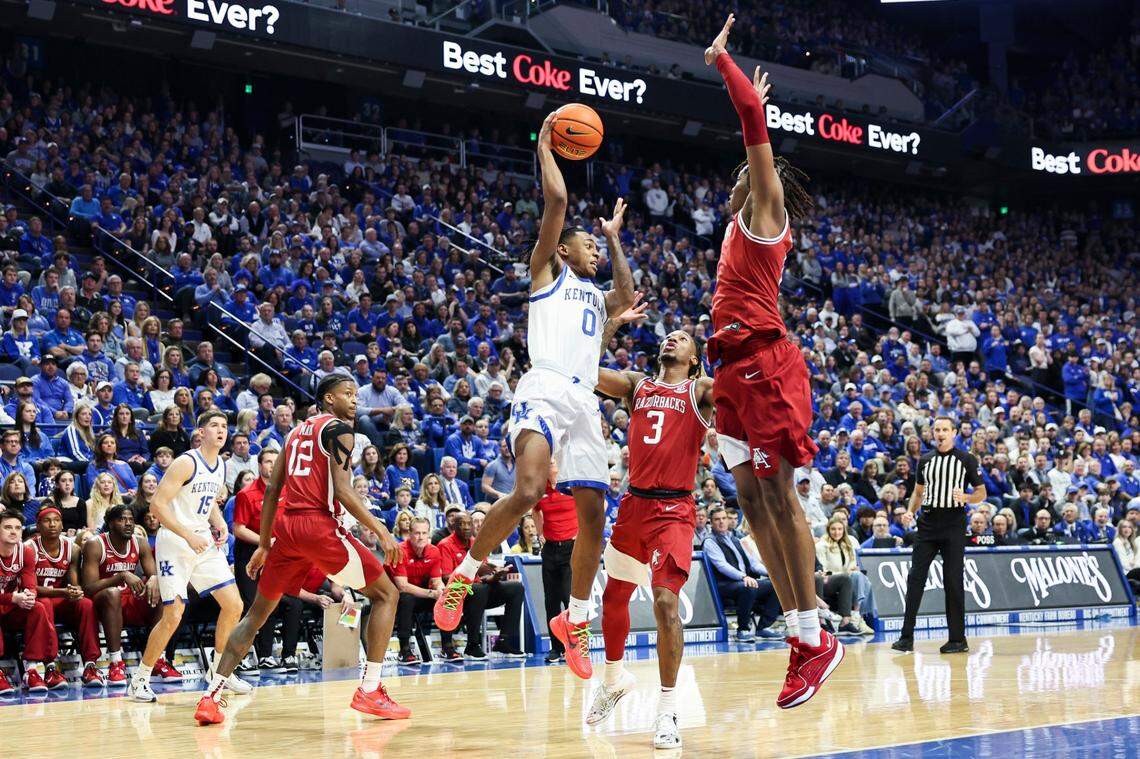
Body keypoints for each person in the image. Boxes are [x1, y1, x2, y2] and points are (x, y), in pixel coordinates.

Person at [434, 110, 636, 685]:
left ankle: (573, 619)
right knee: (526, 491)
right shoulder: (546, 273)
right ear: (563, 251)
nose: (593, 250)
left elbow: (625, 294)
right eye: (590, 244)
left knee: (592, 514)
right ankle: (466, 572)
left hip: (583, 402)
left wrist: (616, 241)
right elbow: (555, 203)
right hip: (543, 386)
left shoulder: (597, 298)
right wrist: (546, 145)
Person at [703, 14, 840, 709]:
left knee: (780, 495)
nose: (742, 175)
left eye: (750, 170)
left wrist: (723, 64)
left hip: (768, 364)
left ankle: (817, 635)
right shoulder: (732, 232)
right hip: (729, 370)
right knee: (749, 500)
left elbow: (753, 115)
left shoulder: (765, 214)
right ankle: (798, 635)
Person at [196, 375, 405, 726]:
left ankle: (211, 696)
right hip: (317, 525)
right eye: (347, 394)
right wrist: (380, 529)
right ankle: (370, 689)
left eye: (356, 394)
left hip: (287, 528)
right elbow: (342, 490)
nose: (354, 400)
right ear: (328, 399)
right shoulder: (339, 430)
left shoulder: (294, 433)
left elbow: (273, 488)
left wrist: (265, 543)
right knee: (387, 594)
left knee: (257, 613)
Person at [587, 316, 713, 749]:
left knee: (664, 602)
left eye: (682, 338)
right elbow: (585, 369)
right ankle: (613, 678)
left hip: (674, 508)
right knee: (614, 596)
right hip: (634, 504)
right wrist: (611, 325)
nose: (671, 338)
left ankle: (667, 710)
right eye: (667, 335)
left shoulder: (699, 391)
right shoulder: (637, 385)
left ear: (693, 360)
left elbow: (735, 388)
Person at [127, 411, 249, 703]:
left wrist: (217, 521)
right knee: (173, 615)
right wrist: (187, 534)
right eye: (214, 426)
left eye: (224, 427)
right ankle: (140, 679)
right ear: (201, 432)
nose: (221, 431)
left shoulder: (220, 463)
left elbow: (205, 504)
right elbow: (157, 505)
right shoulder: (186, 462)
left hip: (202, 540)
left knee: (234, 605)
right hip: (176, 542)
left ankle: (220, 672)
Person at [892, 417, 987, 655]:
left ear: (954, 432)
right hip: (927, 524)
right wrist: (910, 511)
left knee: (952, 581)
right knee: (915, 578)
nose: (940, 433)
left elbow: (981, 492)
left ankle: (957, 639)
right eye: (937, 430)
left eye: (945, 429)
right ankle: (906, 637)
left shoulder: (966, 459)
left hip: (954, 523)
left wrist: (965, 498)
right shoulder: (925, 460)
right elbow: (918, 491)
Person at [81, 505, 163, 687]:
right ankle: (116, 663)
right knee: (113, 592)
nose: (128, 524)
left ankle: (157, 659)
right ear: (110, 524)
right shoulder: (95, 544)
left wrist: (154, 580)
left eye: (131, 520)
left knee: (163, 591)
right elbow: (88, 588)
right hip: (103, 601)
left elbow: (153, 574)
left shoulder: (140, 542)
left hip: (128, 599)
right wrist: (121, 576)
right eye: (122, 519)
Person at [26, 506, 105, 687]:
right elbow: (29, 588)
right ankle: (50, 667)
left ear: (62, 524)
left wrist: (75, 591)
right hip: (37, 600)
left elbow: (73, 580)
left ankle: (91, 666)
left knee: (85, 604)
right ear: (38, 526)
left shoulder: (73, 548)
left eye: (56, 520)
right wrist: (63, 592)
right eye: (47, 521)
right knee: (43, 603)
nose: (52, 524)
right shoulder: (29, 548)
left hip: (60, 600)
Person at [437, 511, 526, 660]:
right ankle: (472, 645)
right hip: (457, 593)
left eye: (469, 524)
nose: (466, 527)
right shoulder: (445, 545)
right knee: (479, 589)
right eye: (461, 524)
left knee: (516, 588)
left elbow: (484, 576)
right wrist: (475, 575)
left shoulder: (476, 543)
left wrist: (495, 575)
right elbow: (446, 576)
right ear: (453, 527)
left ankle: (504, 641)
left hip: (480, 591)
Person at [0, 511, 62, 693]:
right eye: (7, 527)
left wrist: (28, 596)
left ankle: (32, 669)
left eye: (18, 528)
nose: (13, 532)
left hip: (10, 607)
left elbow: (30, 584)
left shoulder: (25, 551)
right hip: (7, 602)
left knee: (37, 607)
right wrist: (13, 598)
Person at [231, 448, 280, 671]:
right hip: (248, 554)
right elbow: (238, 529)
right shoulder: (246, 493)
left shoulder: (286, 491)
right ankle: (240, 657)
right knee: (250, 605)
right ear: (259, 465)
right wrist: (265, 541)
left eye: (275, 461)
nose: (271, 465)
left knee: (268, 603)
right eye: (267, 461)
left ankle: (266, 655)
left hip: (274, 556)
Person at [533, 459, 578, 664]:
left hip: (571, 548)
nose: (549, 467)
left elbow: (597, 504)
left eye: (552, 464)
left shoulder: (572, 486)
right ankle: (556, 647)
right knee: (550, 600)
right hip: (550, 548)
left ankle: (575, 646)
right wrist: (540, 533)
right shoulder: (540, 490)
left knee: (569, 598)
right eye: (548, 464)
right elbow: (535, 510)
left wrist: (582, 532)